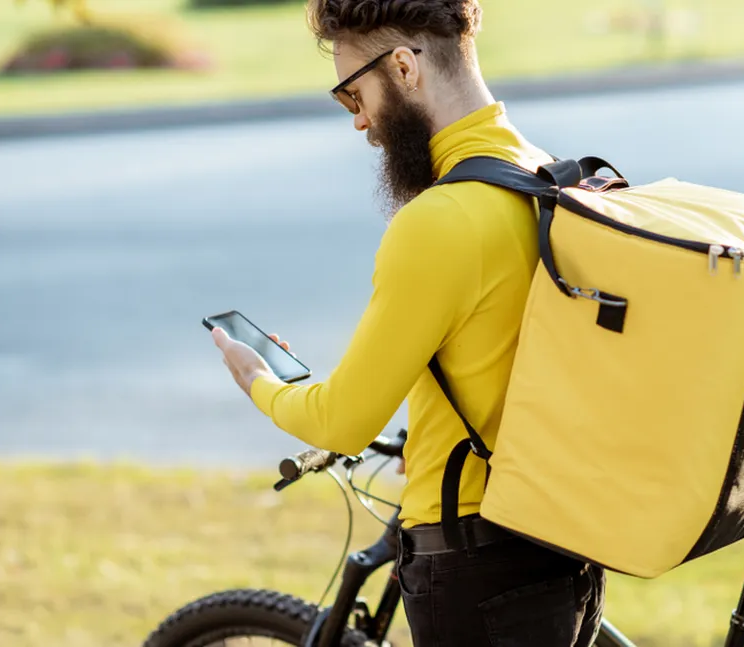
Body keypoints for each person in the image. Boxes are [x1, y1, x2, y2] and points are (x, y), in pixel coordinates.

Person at [211, 1, 606, 644]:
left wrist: (258, 379)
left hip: (475, 564)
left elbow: (342, 421)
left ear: (402, 67)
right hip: (561, 546)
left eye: (353, 95)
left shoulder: (439, 221)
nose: (360, 121)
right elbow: (505, 358)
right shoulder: (551, 178)